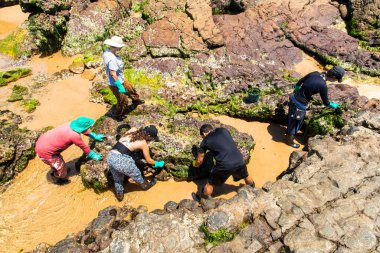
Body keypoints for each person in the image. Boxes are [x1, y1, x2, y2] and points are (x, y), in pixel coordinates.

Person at [286, 65, 345, 148]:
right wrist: (332, 105)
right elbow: (326, 102)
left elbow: (300, 81)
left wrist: (297, 88)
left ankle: (289, 132)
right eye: (336, 79)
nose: (334, 81)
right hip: (300, 105)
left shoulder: (315, 73)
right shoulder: (323, 86)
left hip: (293, 98)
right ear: (334, 76)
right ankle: (289, 141)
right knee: (296, 123)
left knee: (292, 118)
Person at [192, 124, 255, 200]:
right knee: (245, 175)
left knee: (210, 184)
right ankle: (253, 188)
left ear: (204, 133)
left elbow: (199, 160)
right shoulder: (223, 130)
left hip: (225, 165)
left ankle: (203, 200)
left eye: (202, 136)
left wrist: (196, 164)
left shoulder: (205, 141)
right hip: (239, 159)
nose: (203, 138)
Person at [35, 117, 104, 185]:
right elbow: (84, 147)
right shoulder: (74, 136)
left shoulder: (70, 124)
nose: (89, 128)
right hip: (44, 152)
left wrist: (94, 135)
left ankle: (60, 171)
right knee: (60, 168)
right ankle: (58, 178)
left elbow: (83, 129)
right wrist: (93, 155)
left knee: (59, 162)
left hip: (43, 142)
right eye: (88, 127)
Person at [107, 125, 165, 201]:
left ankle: (119, 195)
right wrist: (158, 163)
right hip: (121, 160)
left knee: (117, 178)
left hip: (111, 156)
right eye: (151, 138)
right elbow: (149, 160)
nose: (150, 140)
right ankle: (145, 186)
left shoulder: (133, 129)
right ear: (149, 136)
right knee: (137, 174)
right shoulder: (143, 144)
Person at [103, 35, 144, 119]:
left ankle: (136, 100)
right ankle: (118, 114)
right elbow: (113, 74)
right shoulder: (112, 59)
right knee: (123, 100)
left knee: (130, 89)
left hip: (121, 78)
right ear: (116, 47)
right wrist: (120, 86)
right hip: (115, 83)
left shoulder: (107, 52)